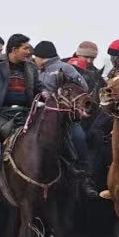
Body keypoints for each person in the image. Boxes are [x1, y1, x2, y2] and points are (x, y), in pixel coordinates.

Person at [0, 34, 45, 196]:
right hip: (1, 113)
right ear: (14, 49)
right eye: (25, 48)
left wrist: (47, 94)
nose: (29, 52)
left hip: (25, 114)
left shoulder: (31, 67)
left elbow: (39, 87)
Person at [33, 40, 97, 197]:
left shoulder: (66, 68)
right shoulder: (35, 70)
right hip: (37, 115)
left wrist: (64, 93)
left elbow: (83, 88)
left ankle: (86, 178)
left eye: (36, 57)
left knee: (79, 137)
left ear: (42, 57)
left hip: (64, 117)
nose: (35, 60)